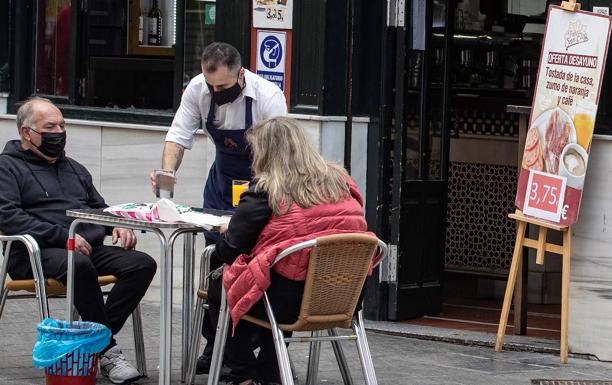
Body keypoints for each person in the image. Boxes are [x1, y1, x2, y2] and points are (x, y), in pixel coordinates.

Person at [0, 97, 157, 385]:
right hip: (34, 253)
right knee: (80, 265)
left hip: (85, 247)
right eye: (50, 127)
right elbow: (8, 217)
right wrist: (63, 235)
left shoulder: (74, 168)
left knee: (142, 264)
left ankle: (92, 342)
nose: (58, 133)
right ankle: (107, 350)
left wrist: (115, 226)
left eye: (62, 125)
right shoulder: (7, 168)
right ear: (26, 132)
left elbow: (99, 207)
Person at [152, 41, 287, 373]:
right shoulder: (198, 90)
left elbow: (282, 156)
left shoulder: (268, 97)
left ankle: (245, 346)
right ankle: (217, 345)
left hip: (261, 187)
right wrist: (167, 175)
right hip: (222, 186)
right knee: (217, 260)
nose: (215, 91)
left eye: (223, 87)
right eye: (211, 85)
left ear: (240, 74)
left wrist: (260, 202)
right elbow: (178, 136)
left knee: (255, 263)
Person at [207, 117, 370, 385]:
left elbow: (230, 250)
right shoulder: (342, 184)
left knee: (223, 282)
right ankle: (271, 370)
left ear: (266, 152)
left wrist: (226, 231)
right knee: (285, 271)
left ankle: (243, 373)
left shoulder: (266, 190)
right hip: (342, 296)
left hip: (286, 304)